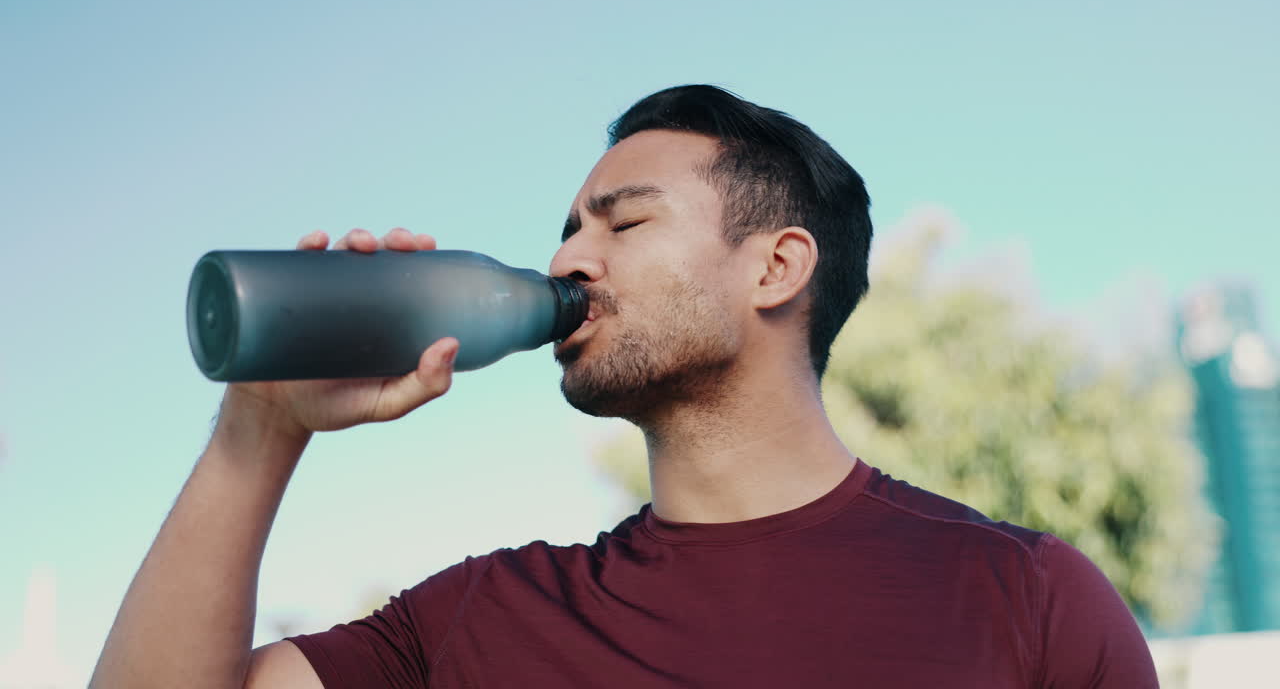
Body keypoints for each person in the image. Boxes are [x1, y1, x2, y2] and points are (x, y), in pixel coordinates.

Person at [90, 85, 1158, 688]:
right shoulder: (480, 618)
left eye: (625, 221)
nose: (564, 264)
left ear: (775, 268)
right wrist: (257, 430)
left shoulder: (1021, 595)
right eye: (564, 233)